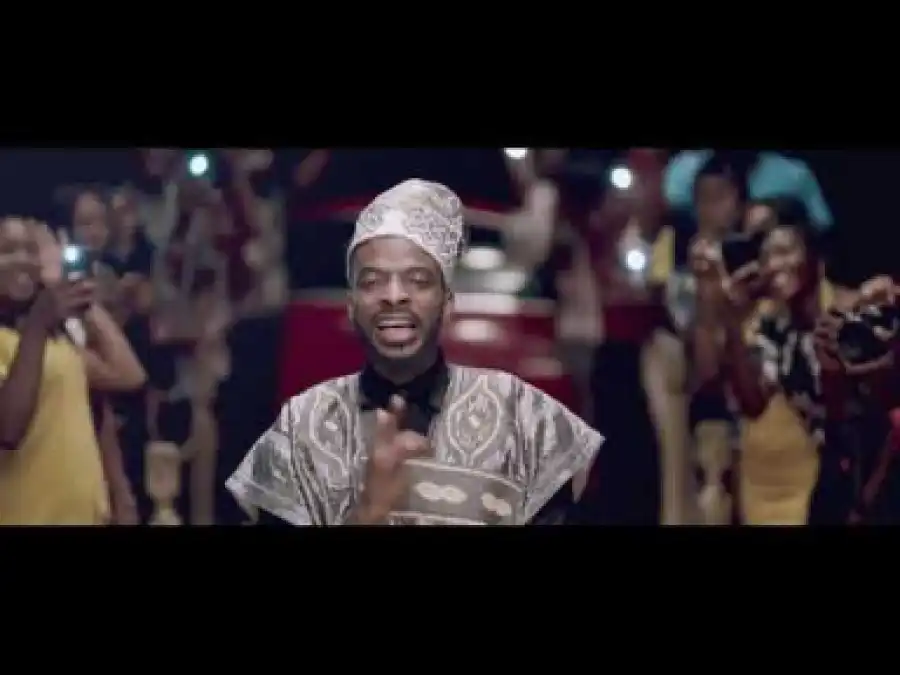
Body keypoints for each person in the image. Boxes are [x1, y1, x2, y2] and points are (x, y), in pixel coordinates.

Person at [226, 179, 603, 526]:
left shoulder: (526, 416)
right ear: (351, 305)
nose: (394, 296)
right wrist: (368, 513)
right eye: (373, 281)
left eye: (418, 280)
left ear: (448, 303)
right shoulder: (301, 425)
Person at [0, 217, 146, 525]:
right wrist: (38, 323)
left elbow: (129, 374)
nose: (23, 259)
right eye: (7, 250)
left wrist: (70, 290)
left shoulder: (57, 342)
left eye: (31, 250)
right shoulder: (30, 336)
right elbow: (7, 428)